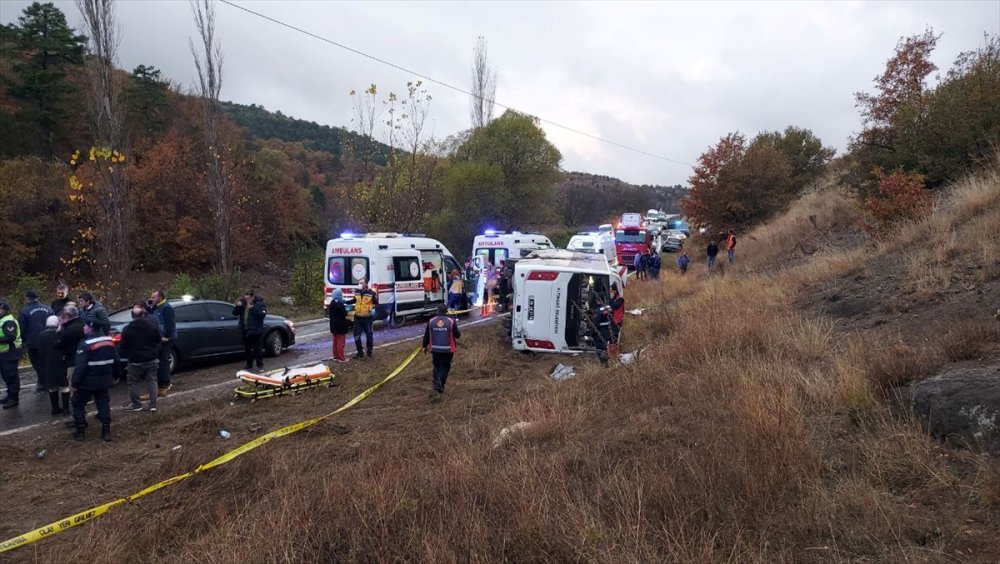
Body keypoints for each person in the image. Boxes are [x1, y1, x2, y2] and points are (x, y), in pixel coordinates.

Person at [69, 321, 117, 441]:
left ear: (90, 328)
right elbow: (116, 360)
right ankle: (106, 432)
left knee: (77, 403)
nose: (83, 328)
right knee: (103, 403)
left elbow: (81, 367)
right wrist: (116, 375)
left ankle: (80, 432)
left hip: (87, 381)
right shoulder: (109, 341)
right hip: (104, 380)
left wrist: (75, 382)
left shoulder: (85, 344)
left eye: (85, 326)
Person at [120, 303, 162, 413]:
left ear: (132, 316)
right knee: (152, 381)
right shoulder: (151, 327)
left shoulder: (127, 330)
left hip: (135, 361)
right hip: (151, 358)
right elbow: (158, 340)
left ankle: (136, 404)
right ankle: (153, 405)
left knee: (134, 382)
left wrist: (128, 355)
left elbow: (123, 347)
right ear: (143, 315)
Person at [422, 303, 460, 399]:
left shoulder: (431, 321)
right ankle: (439, 387)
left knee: (436, 367)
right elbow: (457, 335)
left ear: (437, 311)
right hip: (448, 350)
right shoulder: (451, 321)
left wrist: (424, 346)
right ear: (446, 311)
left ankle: (435, 387)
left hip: (434, 349)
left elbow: (427, 334)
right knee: (444, 368)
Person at [18, 290, 53, 391]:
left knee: (37, 362)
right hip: (48, 340)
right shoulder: (48, 308)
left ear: (27, 298)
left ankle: (43, 382)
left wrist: (23, 340)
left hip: (33, 341)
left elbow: (22, 328)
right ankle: (48, 381)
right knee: (47, 361)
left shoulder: (24, 311)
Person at [55, 306, 84, 416]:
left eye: (62, 316)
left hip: (72, 361)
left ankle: (78, 419)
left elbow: (58, 344)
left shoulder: (69, 329)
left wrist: (59, 330)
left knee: (74, 390)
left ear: (67, 316)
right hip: (84, 360)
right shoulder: (83, 324)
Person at [147, 290, 176, 396]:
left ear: (160, 297)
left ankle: (165, 383)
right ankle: (160, 383)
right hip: (158, 338)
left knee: (163, 360)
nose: (151, 299)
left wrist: (166, 336)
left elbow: (170, 324)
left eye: (153, 297)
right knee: (158, 361)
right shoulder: (155, 307)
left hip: (166, 338)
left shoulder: (166, 308)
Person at [37, 315, 67, 415]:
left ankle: (55, 409)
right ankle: (66, 409)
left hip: (48, 364)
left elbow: (40, 353)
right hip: (61, 364)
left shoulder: (41, 336)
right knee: (64, 387)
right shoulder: (61, 334)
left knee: (52, 387)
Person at [233, 289, 268, 370]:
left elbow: (262, 315)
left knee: (257, 348)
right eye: (245, 298)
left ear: (252, 297)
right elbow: (234, 313)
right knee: (247, 348)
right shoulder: (243, 302)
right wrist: (237, 306)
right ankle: (249, 364)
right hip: (245, 329)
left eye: (248, 298)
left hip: (255, 329)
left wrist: (253, 308)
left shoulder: (259, 303)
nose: (246, 300)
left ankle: (260, 365)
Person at [0, 300, 23, 409]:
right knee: (5, 375)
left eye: (0, 309)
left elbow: (11, 337)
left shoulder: (8, 321)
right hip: (3, 353)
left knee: (11, 376)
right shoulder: (2, 320)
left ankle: (14, 398)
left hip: (11, 353)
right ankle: (9, 395)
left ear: (5, 310)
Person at [352, 279, 378, 359]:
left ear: (366, 284)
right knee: (356, 335)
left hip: (367, 318)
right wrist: (345, 302)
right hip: (358, 317)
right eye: (359, 283)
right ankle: (360, 353)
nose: (359, 284)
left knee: (369, 335)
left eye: (361, 283)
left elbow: (376, 303)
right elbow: (354, 300)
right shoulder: (357, 292)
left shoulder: (371, 293)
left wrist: (373, 309)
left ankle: (369, 353)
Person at [327, 289, 351, 363]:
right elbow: (344, 313)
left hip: (333, 325)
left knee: (335, 341)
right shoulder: (339, 304)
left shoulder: (332, 302)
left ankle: (336, 356)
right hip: (340, 326)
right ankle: (341, 358)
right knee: (340, 342)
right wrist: (347, 309)